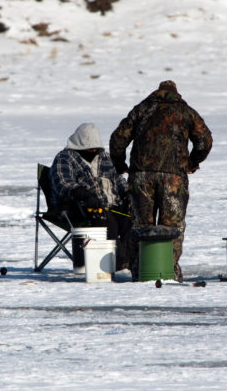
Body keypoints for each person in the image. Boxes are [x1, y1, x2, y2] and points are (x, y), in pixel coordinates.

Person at [109, 81, 212, 281]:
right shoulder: (186, 112)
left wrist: (120, 164)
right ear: (176, 94)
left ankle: (141, 271)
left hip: (141, 176)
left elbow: (118, 138)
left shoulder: (142, 109)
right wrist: (192, 162)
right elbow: (204, 140)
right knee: (172, 226)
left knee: (140, 225)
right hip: (174, 177)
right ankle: (168, 269)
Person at [49, 122, 134, 271]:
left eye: (95, 146)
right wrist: (83, 194)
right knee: (107, 221)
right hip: (81, 210)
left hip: (114, 207)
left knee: (132, 221)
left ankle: (131, 263)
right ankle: (118, 266)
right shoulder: (64, 158)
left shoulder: (106, 158)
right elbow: (62, 183)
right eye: (89, 147)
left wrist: (128, 196)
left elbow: (120, 181)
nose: (93, 150)